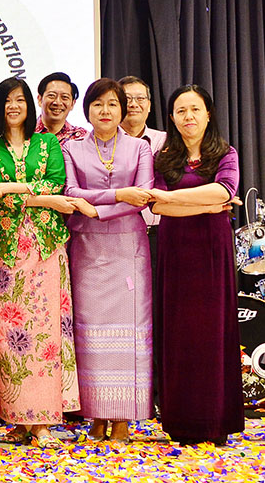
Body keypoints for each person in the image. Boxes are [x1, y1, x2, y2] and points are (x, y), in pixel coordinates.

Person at [0, 77, 90, 448]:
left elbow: (58, 183)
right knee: (10, 338)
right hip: (6, 252)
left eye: (20, 100)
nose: (14, 106)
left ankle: (43, 421)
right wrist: (36, 195)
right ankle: (15, 418)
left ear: (31, 106)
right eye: (7, 101)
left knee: (45, 334)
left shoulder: (47, 142)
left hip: (45, 248)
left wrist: (22, 193)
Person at [148, 84, 243, 445]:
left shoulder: (225, 152)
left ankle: (215, 420)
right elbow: (157, 207)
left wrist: (178, 198)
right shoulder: (164, 157)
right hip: (176, 251)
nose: (188, 116)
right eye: (181, 111)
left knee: (212, 333)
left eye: (195, 109)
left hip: (211, 250)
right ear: (171, 117)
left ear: (207, 114)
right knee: (179, 334)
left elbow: (225, 192)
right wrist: (205, 203)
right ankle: (181, 421)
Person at [61, 79, 154, 443]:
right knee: (91, 334)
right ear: (87, 110)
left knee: (129, 334)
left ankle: (123, 418)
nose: (105, 111)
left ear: (122, 110)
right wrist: (117, 193)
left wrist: (96, 209)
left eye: (112, 105)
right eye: (98, 104)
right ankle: (96, 415)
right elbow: (70, 192)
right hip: (87, 249)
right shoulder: (72, 148)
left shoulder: (139, 148)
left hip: (128, 250)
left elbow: (142, 196)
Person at [118, 74, 166, 409]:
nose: (134, 105)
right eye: (127, 99)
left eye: (141, 99)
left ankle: (160, 392)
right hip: (118, 240)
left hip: (161, 235)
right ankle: (125, 393)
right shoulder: (103, 142)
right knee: (123, 317)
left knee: (161, 314)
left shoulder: (166, 141)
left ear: (150, 105)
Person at [35, 72, 87, 145]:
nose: (57, 102)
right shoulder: (24, 133)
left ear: (72, 104)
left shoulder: (82, 138)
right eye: (52, 95)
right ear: (40, 99)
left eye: (64, 97)